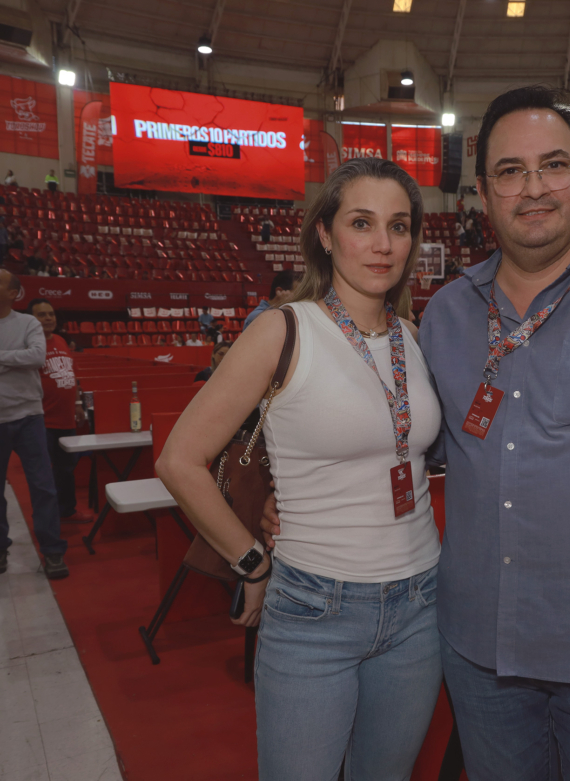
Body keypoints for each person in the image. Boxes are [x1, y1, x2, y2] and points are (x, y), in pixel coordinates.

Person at [261, 85, 570, 779]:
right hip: (478, 654)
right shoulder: (449, 313)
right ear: (483, 192)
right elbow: (415, 444)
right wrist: (298, 499)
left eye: (554, 165)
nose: (534, 188)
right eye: (511, 171)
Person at [157, 158, 442, 779]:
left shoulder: (414, 337)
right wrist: (252, 562)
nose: (383, 243)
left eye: (398, 226)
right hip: (315, 608)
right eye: (361, 223)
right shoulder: (282, 330)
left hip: (421, 601)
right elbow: (179, 461)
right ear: (325, 234)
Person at [0, 271, 69, 579]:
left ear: (13, 292)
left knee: (43, 487)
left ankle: (52, 551)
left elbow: (38, 357)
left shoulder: (28, 323)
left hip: (29, 416)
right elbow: (26, 357)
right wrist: (15, 359)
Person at [28, 298, 94, 524]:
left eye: (51, 314)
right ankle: (46, 518)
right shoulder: (30, 346)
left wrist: (77, 405)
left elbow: (71, 375)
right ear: (31, 319)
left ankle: (67, 510)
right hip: (42, 421)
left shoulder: (61, 341)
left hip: (66, 420)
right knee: (42, 474)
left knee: (66, 469)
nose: (48, 318)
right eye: (41, 315)